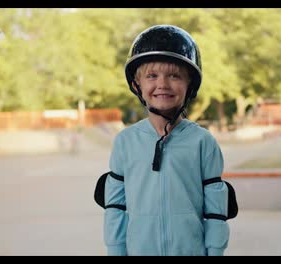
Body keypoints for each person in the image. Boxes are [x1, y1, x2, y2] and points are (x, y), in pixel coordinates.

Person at [100, 25, 234, 256]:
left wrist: (215, 251)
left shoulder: (203, 142)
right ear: (137, 84)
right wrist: (116, 251)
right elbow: (115, 208)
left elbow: (216, 210)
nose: (163, 84)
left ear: (189, 85)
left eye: (174, 75)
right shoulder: (125, 142)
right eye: (152, 76)